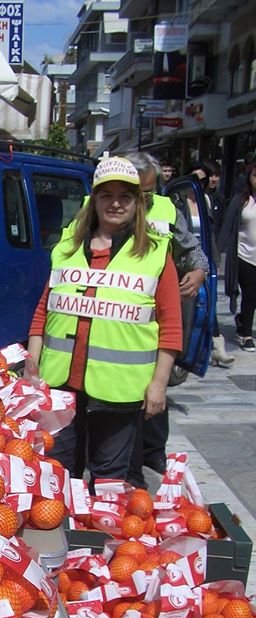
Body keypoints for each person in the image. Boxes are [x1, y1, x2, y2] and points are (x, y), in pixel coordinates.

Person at [27, 156, 182, 489]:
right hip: (60, 383)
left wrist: (159, 383)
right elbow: (44, 309)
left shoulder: (155, 253)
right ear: (93, 200)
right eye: (106, 195)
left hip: (119, 389)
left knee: (109, 482)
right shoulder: (66, 248)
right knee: (55, 476)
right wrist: (32, 364)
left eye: (125, 197)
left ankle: (100, 539)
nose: (115, 203)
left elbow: (171, 324)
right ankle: (62, 539)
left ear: (137, 203)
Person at [123, 152, 220, 487]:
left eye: (147, 193)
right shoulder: (103, 207)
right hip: (119, 312)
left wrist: (197, 271)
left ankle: (152, 450)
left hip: (158, 308)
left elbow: (195, 252)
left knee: (156, 383)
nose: (140, 200)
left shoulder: (165, 210)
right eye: (135, 191)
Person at [219, 164, 256, 352]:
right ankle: (247, 335)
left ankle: (243, 320)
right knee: (250, 294)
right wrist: (218, 252)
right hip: (244, 255)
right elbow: (228, 226)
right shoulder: (241, 200)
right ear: (249, 178)